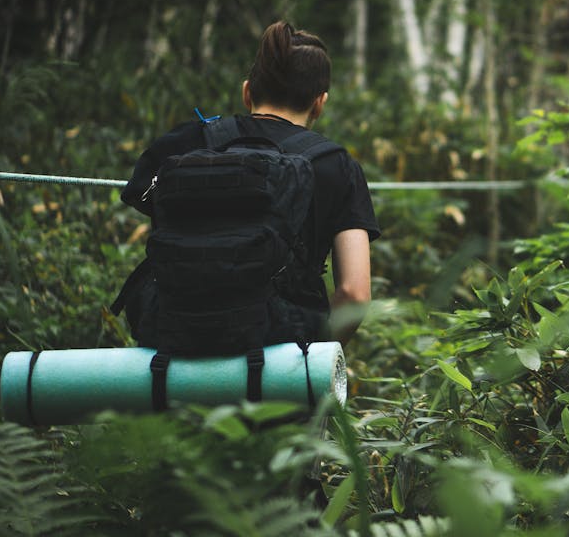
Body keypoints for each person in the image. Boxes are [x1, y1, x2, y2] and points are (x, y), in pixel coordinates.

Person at [118, 21, 380, 349]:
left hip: (172, 343)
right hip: (281, 352)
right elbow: (355, 294)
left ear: (247, 92)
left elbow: (141, 196)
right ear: (319, 103)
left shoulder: (187, 141)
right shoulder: (338, 166)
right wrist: (314, 360)